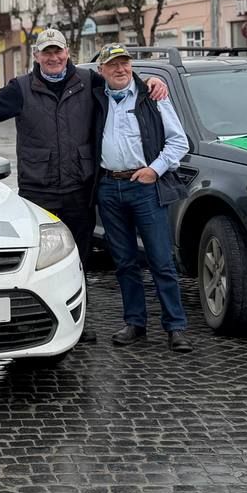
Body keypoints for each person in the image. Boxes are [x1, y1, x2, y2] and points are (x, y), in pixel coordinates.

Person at [0, 29, 168, 344]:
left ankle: (77, 322)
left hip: (80, 191)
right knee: (40, 262)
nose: (53, 58)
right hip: (40, 195)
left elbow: (121, 76)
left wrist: (151, 84)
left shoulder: (87, 80)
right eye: (46, 53)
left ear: (68, 53)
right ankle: (36, 320)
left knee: (78, 260)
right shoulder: (21, 89)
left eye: (58, 52)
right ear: (36, 56)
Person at [92, 43, 193, 353]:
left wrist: (155, 170)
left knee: (161, 260)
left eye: (125, 63)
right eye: (113, 65)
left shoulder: (153, 96)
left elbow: (179, 142)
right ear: (102, 71)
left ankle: (175, 327)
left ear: (132, 65)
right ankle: (135, 323)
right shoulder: (96, 99)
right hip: (109, 187)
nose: (120, 69)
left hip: (145, 186)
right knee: (123, 261)